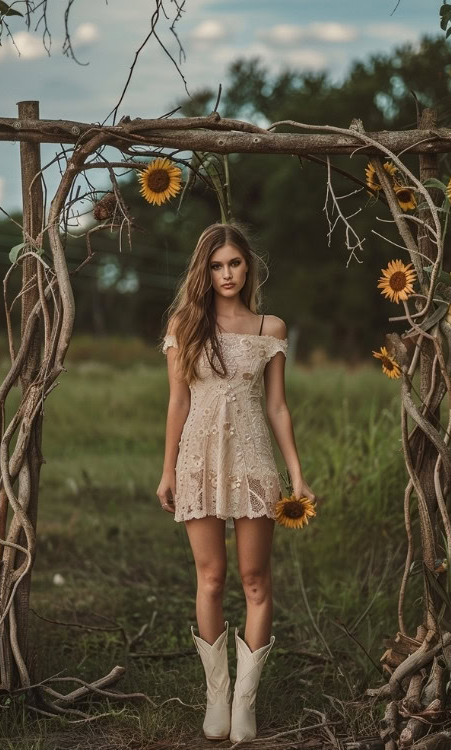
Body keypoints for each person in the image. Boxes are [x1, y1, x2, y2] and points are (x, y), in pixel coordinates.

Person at [157, 221, 316, 742]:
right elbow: (177, 403)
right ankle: (217, 699)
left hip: (252, 462)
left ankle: (245, 704)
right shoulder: (185, 325)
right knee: (210, 578)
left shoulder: (271, 329)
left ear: (249, 267)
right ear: (204, 271)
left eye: (235, 263)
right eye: (217, 265)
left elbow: (277, 406)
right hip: (198, 462)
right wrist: (166, 470)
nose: (227, 274)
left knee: (254, 580)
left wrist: (297, 475)